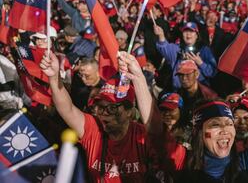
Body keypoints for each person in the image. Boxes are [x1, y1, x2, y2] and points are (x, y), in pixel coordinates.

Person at [40, 51, 163, 182]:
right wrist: (53, 77)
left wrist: (138, 77)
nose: (104, 113)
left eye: (112, 108)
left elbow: (154, 125)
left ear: (128, 111)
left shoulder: (141, 136)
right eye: (100, 107)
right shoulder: (94, 130)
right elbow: (67, 109)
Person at [154, 21, 217, 89]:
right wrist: (161, 35)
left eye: (191, 31)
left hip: (198, 92)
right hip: (179, 90)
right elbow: (164, 47)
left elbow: (212, 73)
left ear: (196, 35)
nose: (188, 34)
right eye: (185, 31)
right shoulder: (177, 49)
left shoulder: (204, 50)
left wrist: (200, 63)